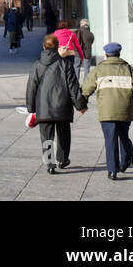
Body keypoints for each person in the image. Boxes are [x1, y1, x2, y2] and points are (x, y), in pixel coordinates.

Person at [77, 41, 133, 181]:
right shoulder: (128, 69)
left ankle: (112, 170)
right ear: (118, 54)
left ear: (106, 55)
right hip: (125, 111)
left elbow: (86, 89)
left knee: (110, 139)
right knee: (123, 136)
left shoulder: (98, 70)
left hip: (106, 112)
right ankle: (126, 160)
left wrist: (81, 105)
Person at [26, 34, 80, 173]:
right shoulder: (66, 64)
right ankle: (62, 159)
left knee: (46, 136)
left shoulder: (37, 65)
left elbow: (32, 87)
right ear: (57, 47)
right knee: (64, 134)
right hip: (63, 106)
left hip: (43, 108)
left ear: (44, 46)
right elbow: (73, 87)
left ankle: (50, 164)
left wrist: (31, 107)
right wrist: (80, 104)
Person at [76, 19, 96, 83]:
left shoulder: (78, 32)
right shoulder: (91, 34)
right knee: (87, 69)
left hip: (78, 53)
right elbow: (91, 42)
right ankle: (85, 84)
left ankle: (76, 83)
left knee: (76, 67)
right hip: (87, 53)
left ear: (81, 24)